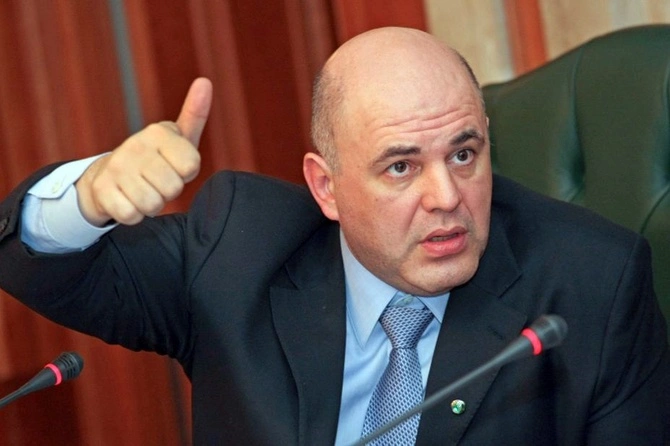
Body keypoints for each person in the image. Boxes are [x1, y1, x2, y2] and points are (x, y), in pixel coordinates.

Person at [0, 27, 668, 445]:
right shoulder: (238, 255)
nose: (446, 197)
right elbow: (33, 265)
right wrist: (88, 198)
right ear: (326, 187)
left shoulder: (593, 284)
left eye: (464, 154)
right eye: (401, 167)